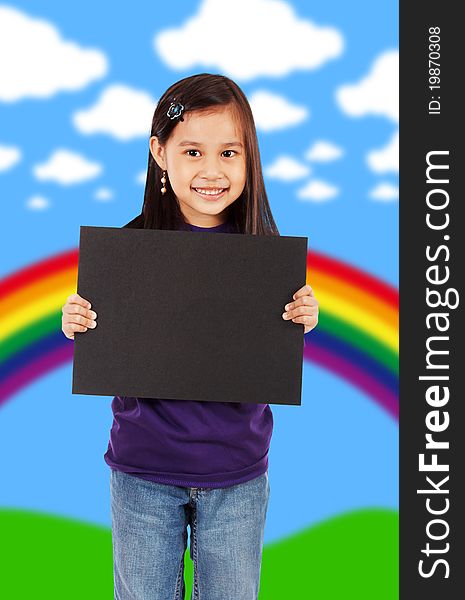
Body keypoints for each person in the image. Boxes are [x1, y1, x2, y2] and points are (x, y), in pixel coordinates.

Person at [61, 73, 319, 600]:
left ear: (250, 159)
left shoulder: (263, 257)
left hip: (238, 472)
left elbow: (268, 345)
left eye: (229, 152)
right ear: (160, 153)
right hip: (142, 471)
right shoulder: (128, 254)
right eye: (193, 151)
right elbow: (102, 329)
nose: (212, 170)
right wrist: (78, 320)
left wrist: (302, 314)